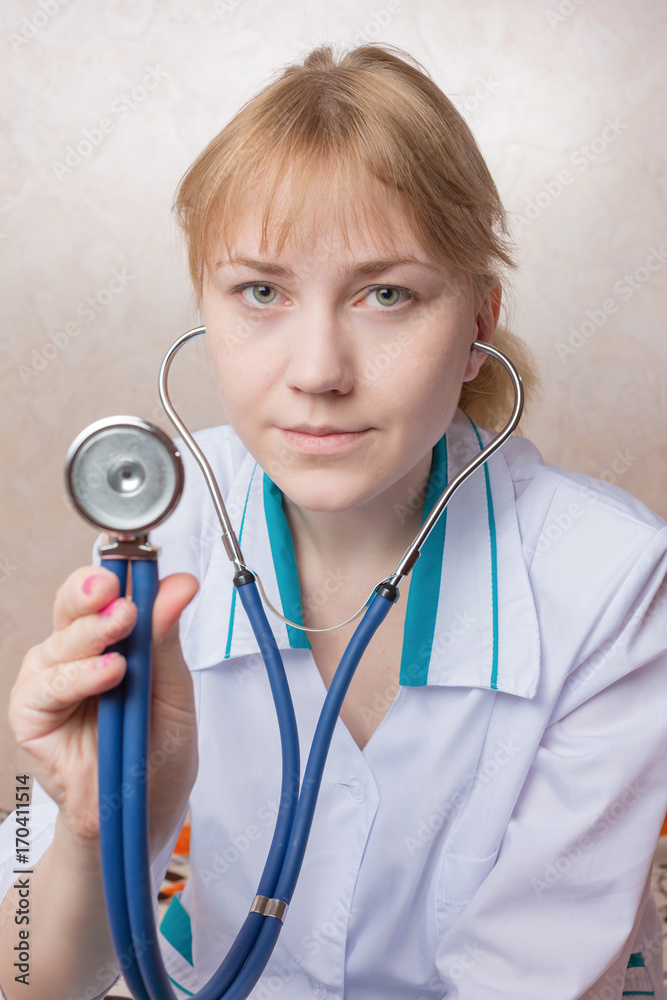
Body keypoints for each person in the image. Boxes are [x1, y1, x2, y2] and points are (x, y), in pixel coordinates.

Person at [1, 41, 667, 1000]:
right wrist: (103, 825)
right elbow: (33, 976)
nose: (317, 370)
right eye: (260, 292)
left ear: (478, 325)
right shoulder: (162, 522)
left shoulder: (611, 577)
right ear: (207, 307)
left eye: (385, 294)